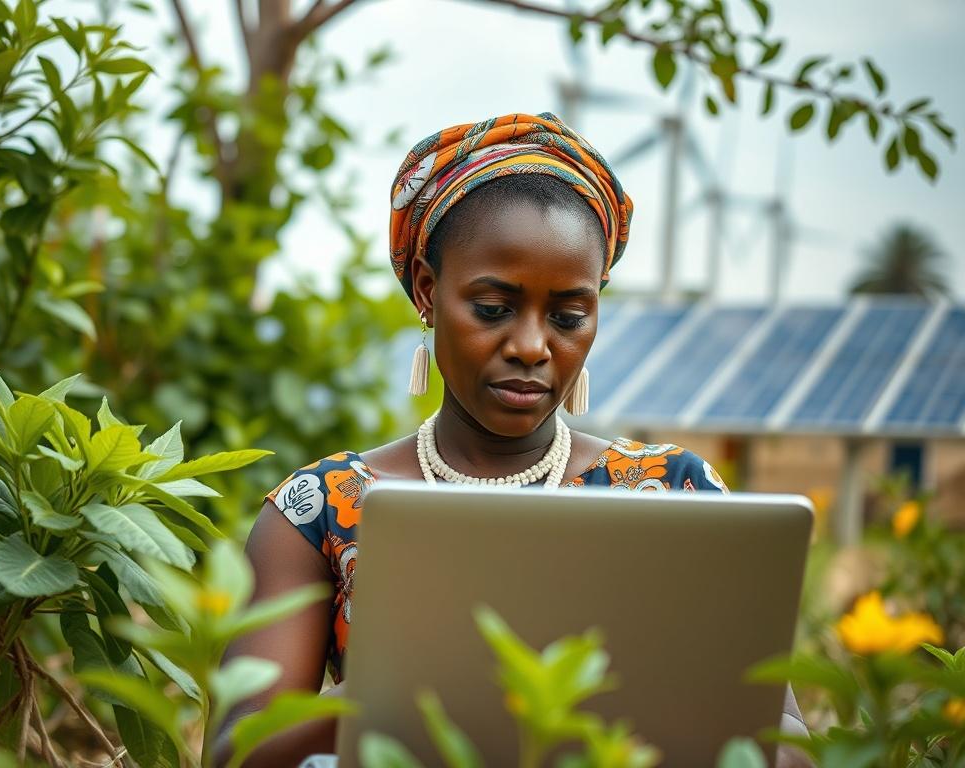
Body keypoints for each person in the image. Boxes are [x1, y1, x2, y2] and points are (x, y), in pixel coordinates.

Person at [214, 113, 812, 768]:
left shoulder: (679, 494)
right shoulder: (318, 510)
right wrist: (427, 679)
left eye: (568, 316)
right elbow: (239, 754)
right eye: (494, 309)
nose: (531, 346)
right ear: (426, 290)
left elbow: (788, 749)